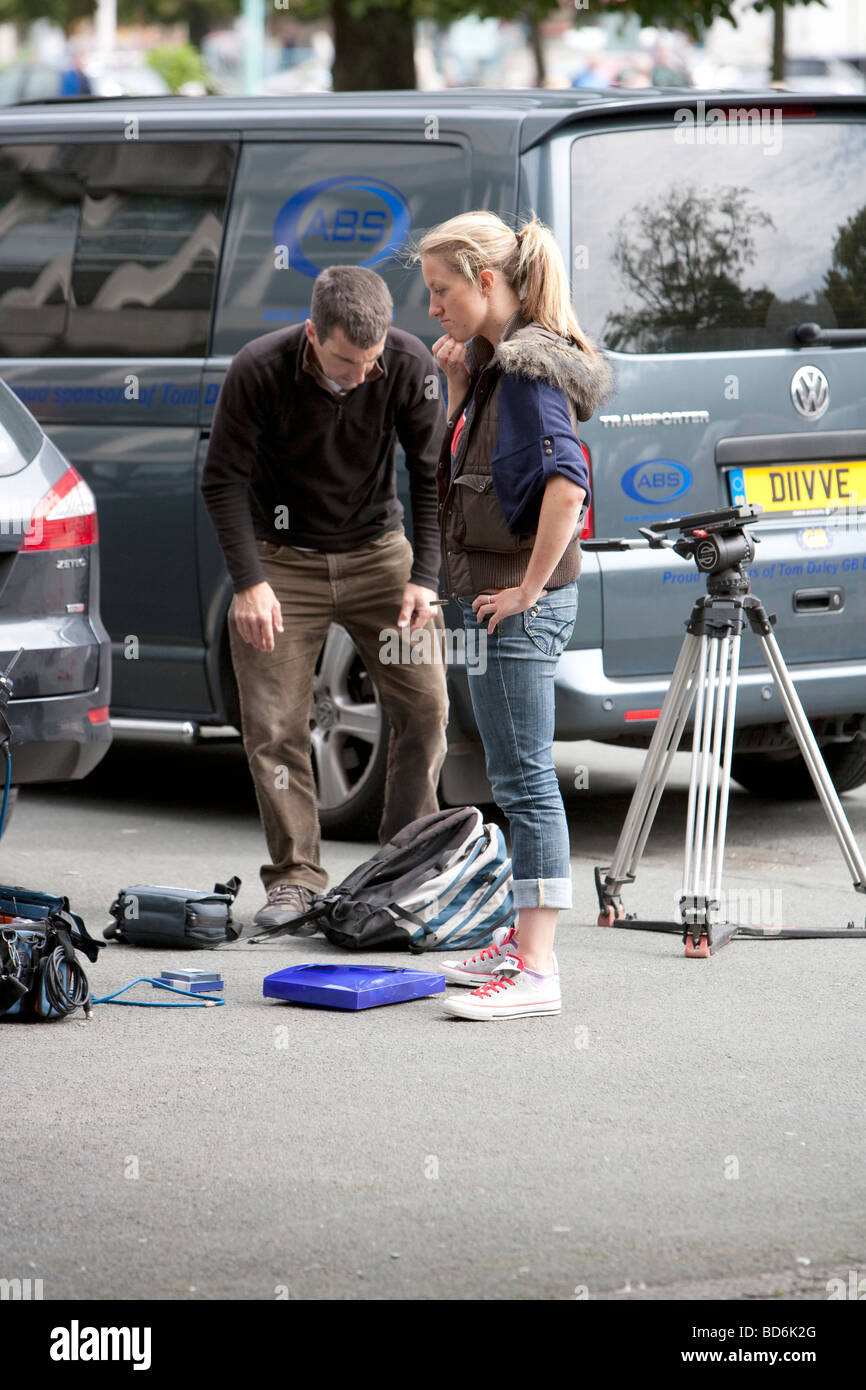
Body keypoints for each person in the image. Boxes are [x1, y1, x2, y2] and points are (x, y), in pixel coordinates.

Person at [202, 266, 449, 932]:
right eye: (345, 361)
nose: (361, 375)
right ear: (313, 335)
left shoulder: (406, 363)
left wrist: (425, 576)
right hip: (284, 562)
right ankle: (295, 880)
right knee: (275, 726)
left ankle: (405, 866)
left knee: (425, 707)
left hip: (380, 557)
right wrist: (251, 583)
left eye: (370, 362)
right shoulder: (260, 369)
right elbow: (222, 480)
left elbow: (431, 477)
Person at [417, 211, 613, 1020]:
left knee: (529, 782)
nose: (431, 308)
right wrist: (460, 387)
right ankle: (518, 941)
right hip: (492, 605)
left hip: (518, 610)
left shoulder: (530, 371)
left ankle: (536, 973)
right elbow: (467, 475)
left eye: (441, 291)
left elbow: (569, 486)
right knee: (509, 774)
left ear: (487, 282)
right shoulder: (499, 367)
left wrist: (528, 592)